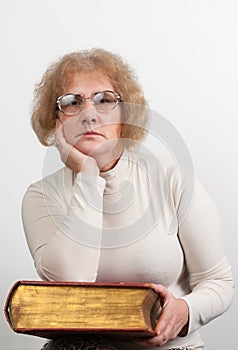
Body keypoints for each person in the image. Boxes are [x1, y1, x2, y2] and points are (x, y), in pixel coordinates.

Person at [22, 48, 234, 350]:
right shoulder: (40, 196)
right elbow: (72, 283)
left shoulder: (171, 176)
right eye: (72, 102)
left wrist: (185, 311)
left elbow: (219, 282)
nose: (89, 114)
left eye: (104, 100)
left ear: (126, 114)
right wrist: (87, 175)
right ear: (56, 121)